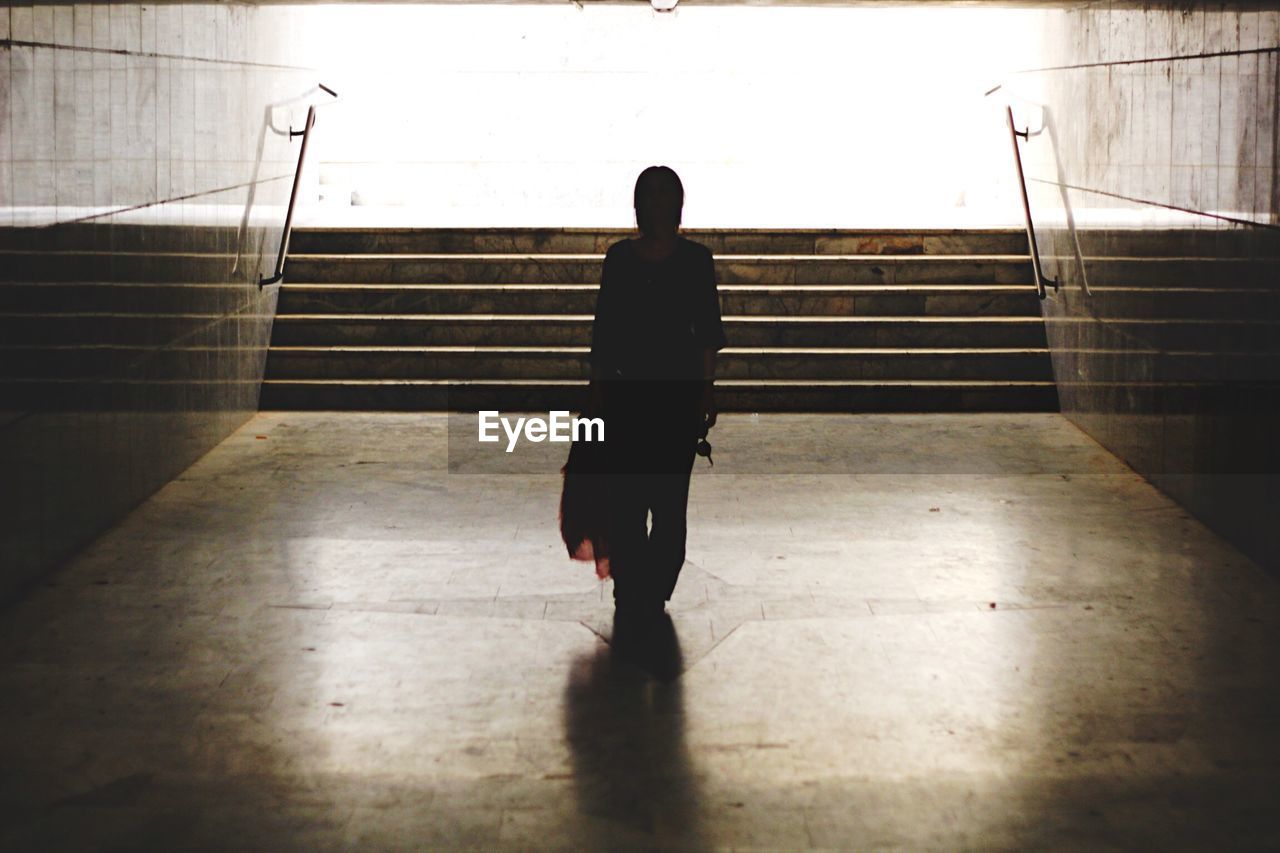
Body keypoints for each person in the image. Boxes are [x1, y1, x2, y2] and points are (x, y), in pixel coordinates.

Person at [587, 165, 727, 619]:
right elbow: (604, 333)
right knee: (630, 501)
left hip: (675, 398)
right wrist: (599, 391)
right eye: (653, 195)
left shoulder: (695, 260)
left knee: (667, 504)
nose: (659, 204)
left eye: (665, 195)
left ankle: (650, 584)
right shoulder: (621, 259)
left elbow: (707, 330)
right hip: (629, 396)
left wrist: (705, 390)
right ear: (639, 205)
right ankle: (634, 583)